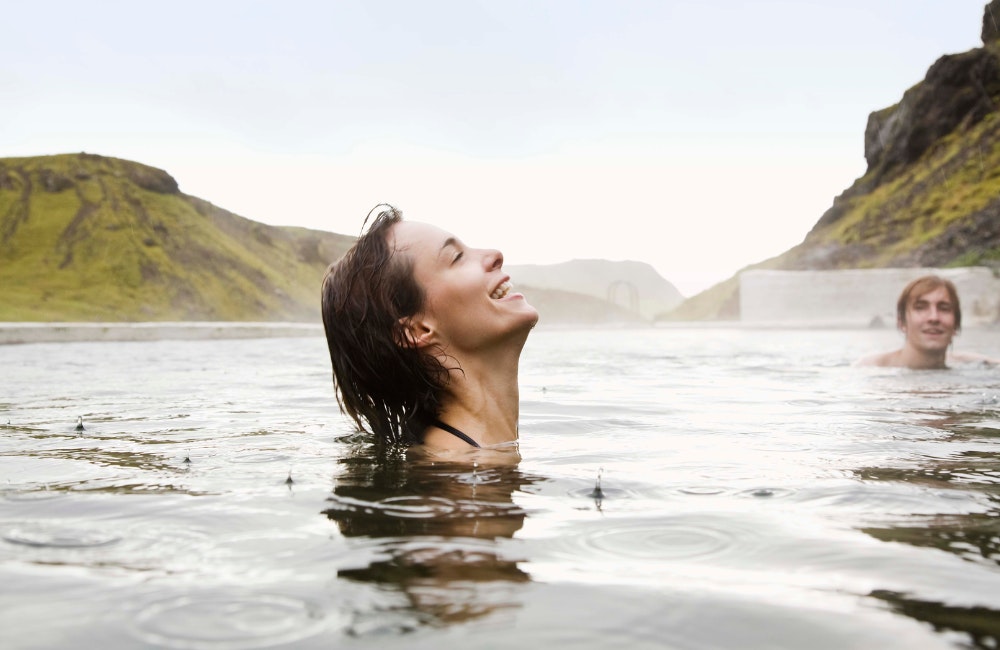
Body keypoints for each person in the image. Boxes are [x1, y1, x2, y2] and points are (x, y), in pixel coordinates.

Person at [321, 204, 539, 451]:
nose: (495, 254)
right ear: (416, 331)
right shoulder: (459, 472)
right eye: (457, 257)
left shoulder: (472, 458)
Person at [855, 274, 998, 369]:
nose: (934, 317)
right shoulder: (869, 368)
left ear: (956, 324)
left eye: (944, 308)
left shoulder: (974, 364)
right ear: (901, 323)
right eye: (920, 307)